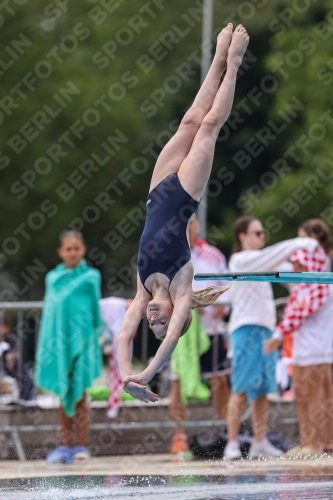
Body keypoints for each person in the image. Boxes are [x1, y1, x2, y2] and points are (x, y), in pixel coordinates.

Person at [117, 24, 249, 402]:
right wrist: (147, 373)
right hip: (186, 192)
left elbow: (125, 335)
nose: (154, 320)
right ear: (178, 310)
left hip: (157, 190)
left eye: (152, 324)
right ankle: (234, 64)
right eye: (161, 321)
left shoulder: (142, 292)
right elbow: (173, 337)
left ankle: (219, 51)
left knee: (190, 119)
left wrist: (127, 376)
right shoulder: (181, 284)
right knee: (208, 126)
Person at [223, 216, 319, 460]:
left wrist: (313, 258)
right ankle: (232, 443)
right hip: (245, 329)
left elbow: (292, 270)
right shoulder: (241, 259)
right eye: (257, 233)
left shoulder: (262, 261)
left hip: (265, 329)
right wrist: (298, 242)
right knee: (241, 389)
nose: (262, 237)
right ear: (242, 237)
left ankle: (259, 441)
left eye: (263, 233)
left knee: (263, 390)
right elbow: (274, 257)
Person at [265, 218, 333, 456]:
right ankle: (308, 442)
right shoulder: (306, 281)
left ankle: (318, 444)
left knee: (315, 396)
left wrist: (279, 334)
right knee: (303, 393)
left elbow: (301, 312)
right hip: (304, 346)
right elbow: (295, 308)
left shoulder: (322, 279)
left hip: (318, 346)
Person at [35, 231, 103, 464]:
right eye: (68, 249)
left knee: (81, 395)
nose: (73, 252)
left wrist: (95, 339)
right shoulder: (52, 278)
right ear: (61, 252)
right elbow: (51, 314)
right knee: (63, 394)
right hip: (59, 345)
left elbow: (95, 313)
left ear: (82, 250)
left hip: (82, 344)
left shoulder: (91, 277)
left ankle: (81, 446)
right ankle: (65, 446)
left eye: (77, 248)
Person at [169, 215, 231, 454]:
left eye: (191, 220)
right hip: (181, 330)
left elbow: (226, 284)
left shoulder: (213, 255)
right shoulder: (169, 253)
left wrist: (219, 304)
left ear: (197, 224)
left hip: (210, 328)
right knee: (177, 382)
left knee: (219, 379)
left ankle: (227, 430)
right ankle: (178, 435)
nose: (187, 224)